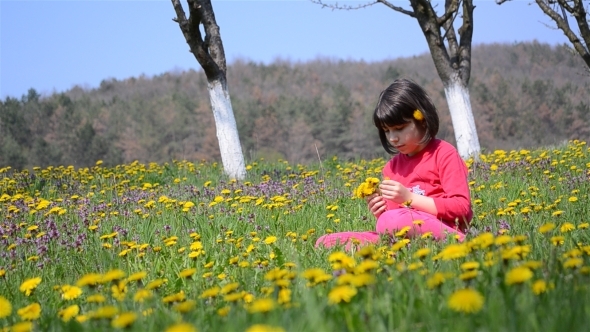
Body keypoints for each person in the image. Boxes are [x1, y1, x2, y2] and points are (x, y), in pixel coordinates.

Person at [315, 78, 473, 249]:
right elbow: (394, 217)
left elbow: (461, 207)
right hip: (401, 233)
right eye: (387, 131)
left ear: (422, 120)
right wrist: (380, 211)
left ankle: (462, 242)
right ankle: (389, 249)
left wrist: (410, 198)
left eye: (399, 128)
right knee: (325, 242)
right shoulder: (391, 168)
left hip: (444, 230)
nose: (392, 138)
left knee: (391, 221)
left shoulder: (444, 153)